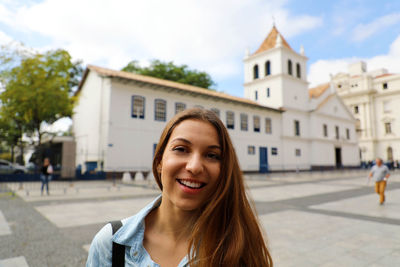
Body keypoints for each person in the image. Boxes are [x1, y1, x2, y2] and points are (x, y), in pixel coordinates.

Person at [86, 108, 273, 267]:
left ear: (224, 169)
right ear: (159, 161)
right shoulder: (111, 243)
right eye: (181, 149)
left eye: (212, 155)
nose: (194, 166)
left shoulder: (238, 246)